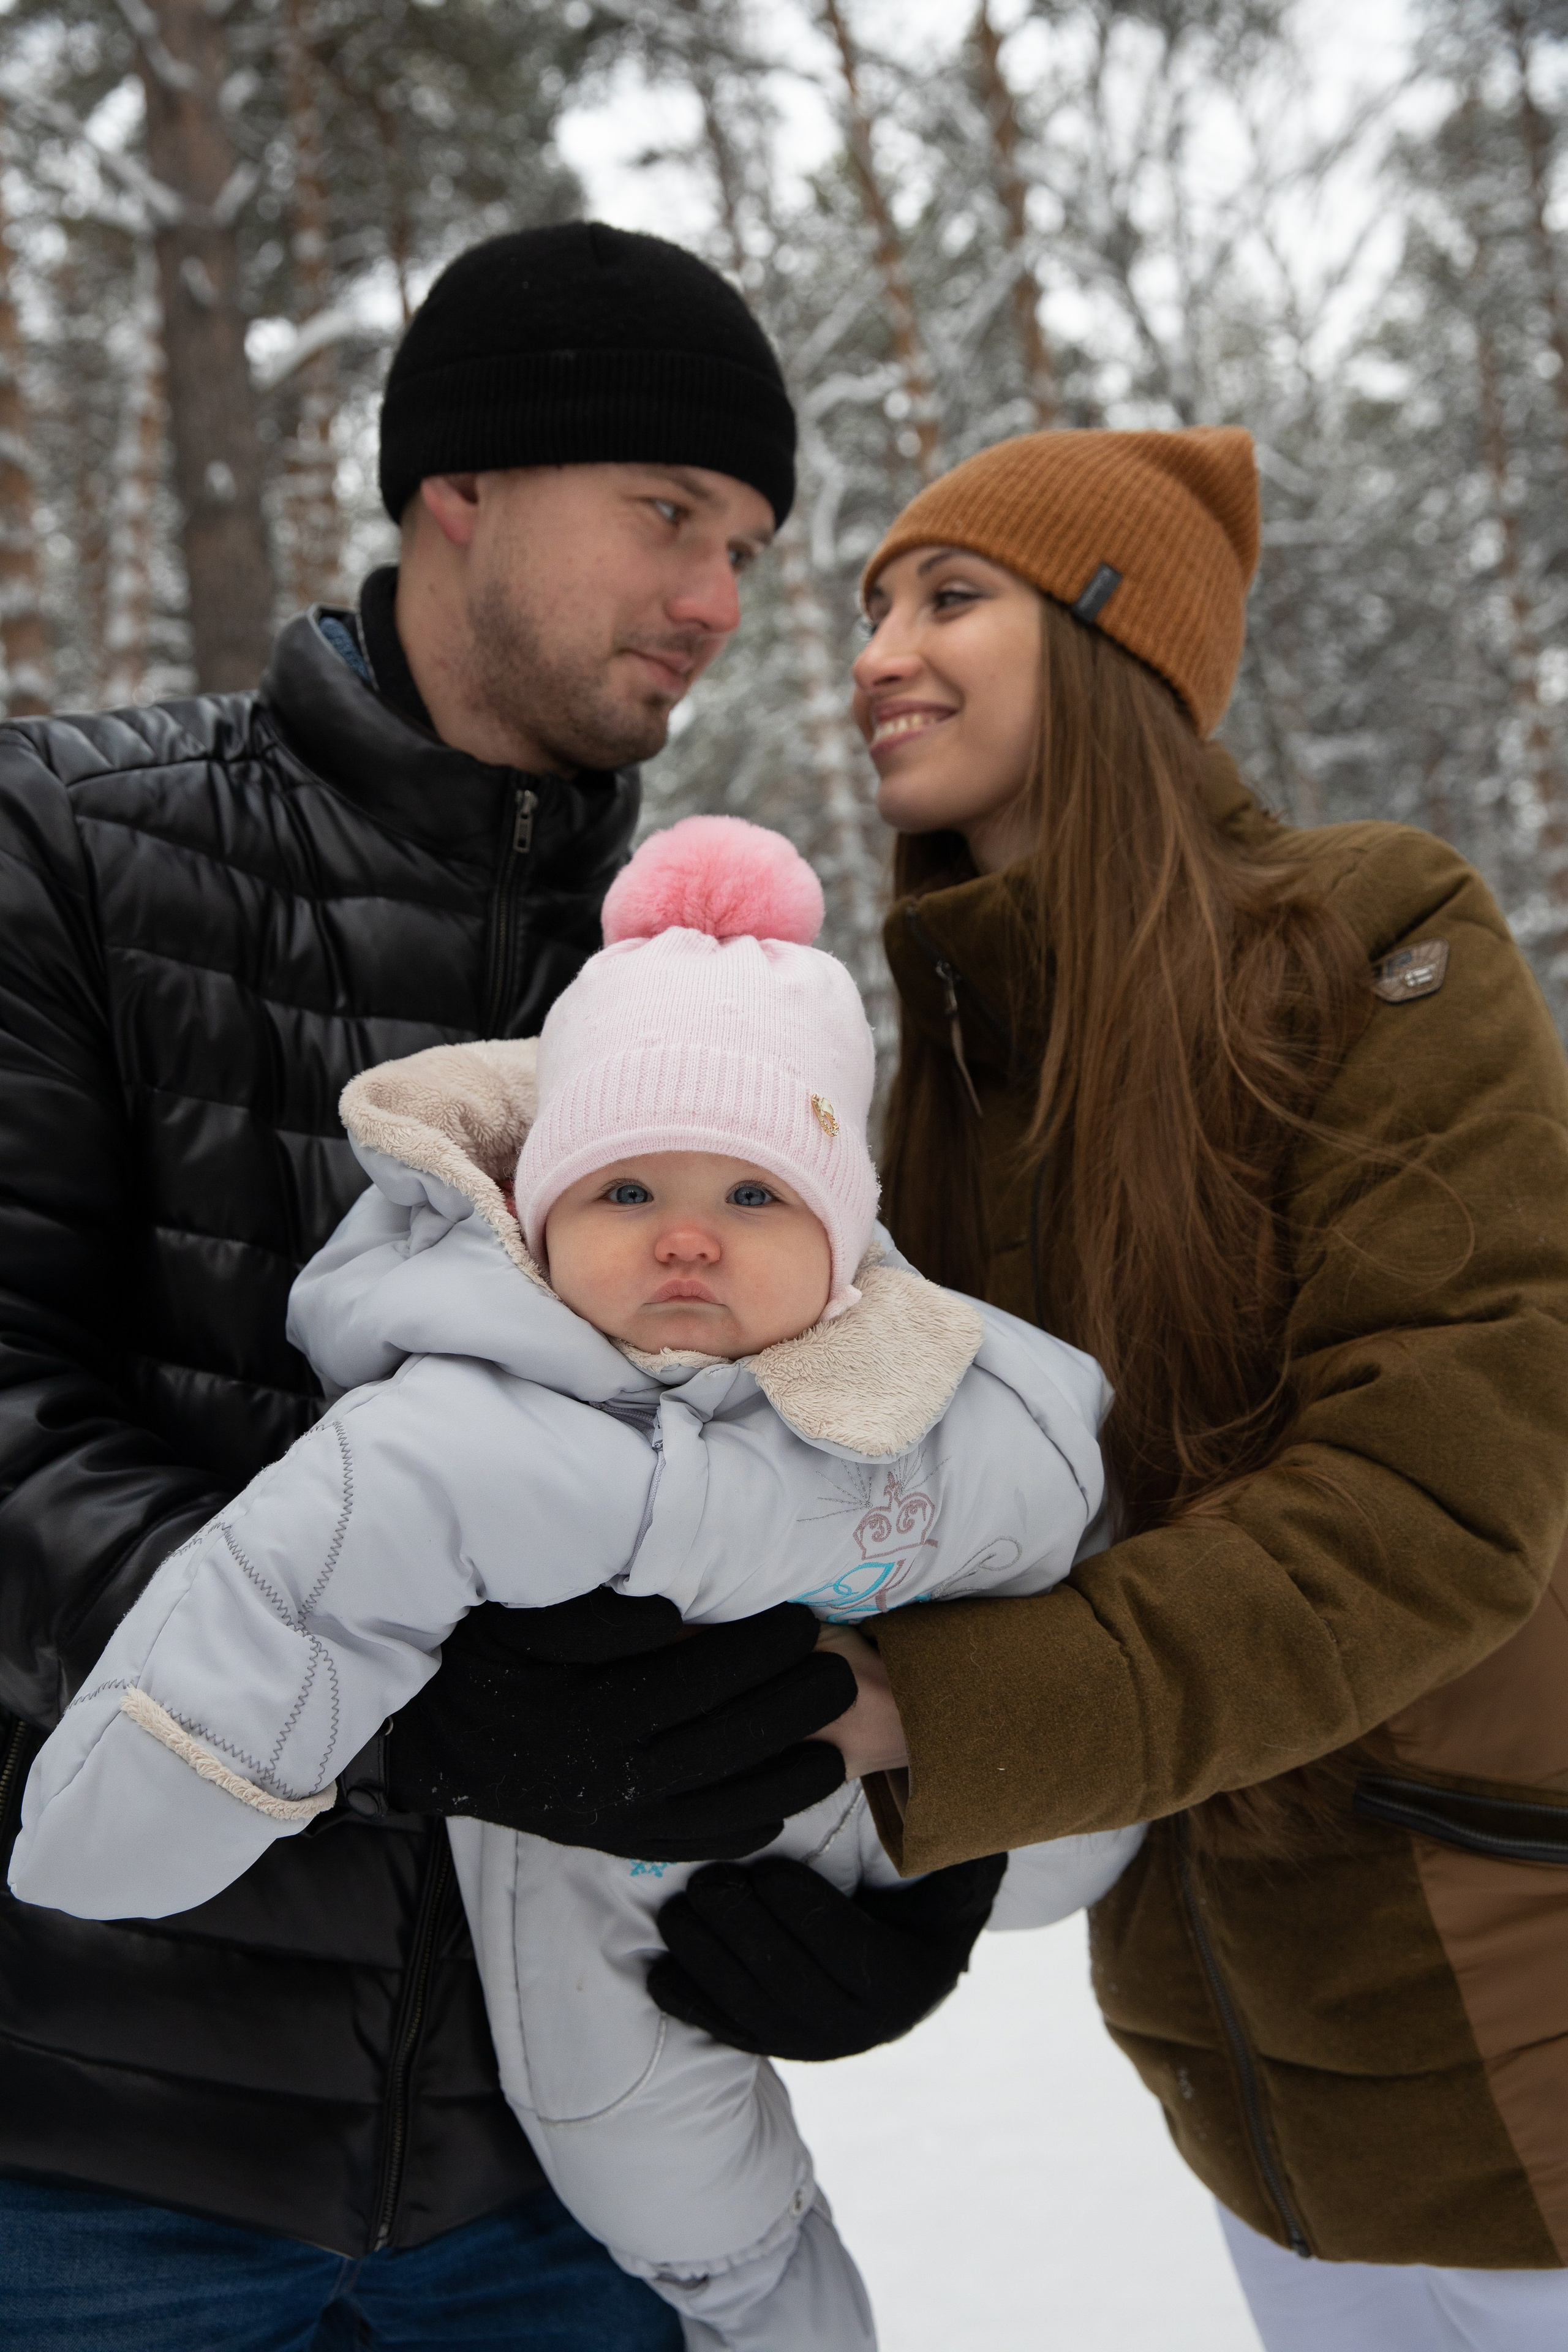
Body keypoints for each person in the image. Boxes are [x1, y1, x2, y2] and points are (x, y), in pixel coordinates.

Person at [0, 221, 892, 2351]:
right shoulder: (69, 845)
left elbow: (865, 1446)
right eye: (670, 514)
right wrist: (419, 1704)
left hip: (556, 2172)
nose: (719, 601)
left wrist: (902, 1870)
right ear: (455, 487)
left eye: (752, 544)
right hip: (95, 2161)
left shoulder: (717, 986)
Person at [649, 426, 1568, 2350]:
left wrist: (920, 1719)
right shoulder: (935, 1087)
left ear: (1116, 641)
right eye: (872, 605)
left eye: (952, 596)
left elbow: (1440, 1506)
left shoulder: (1376, 947)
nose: (882, 649)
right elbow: (958, 1544)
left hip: (1515, 2004)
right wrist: (891, 1889)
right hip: (1245, 2088)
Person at [14, 813, 1136, 2352]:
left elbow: (1071, 1604)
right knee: (682, 2198)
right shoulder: (464, 1426)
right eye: (622, 1195)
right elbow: (288, 1598)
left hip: (773, 1872)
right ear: (535, 1220)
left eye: (755, 1196)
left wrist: (955, 1862)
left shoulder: (949, 1409)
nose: (685, 1234)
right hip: (521, 1946)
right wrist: (182, 1792)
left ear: (848, 1241)